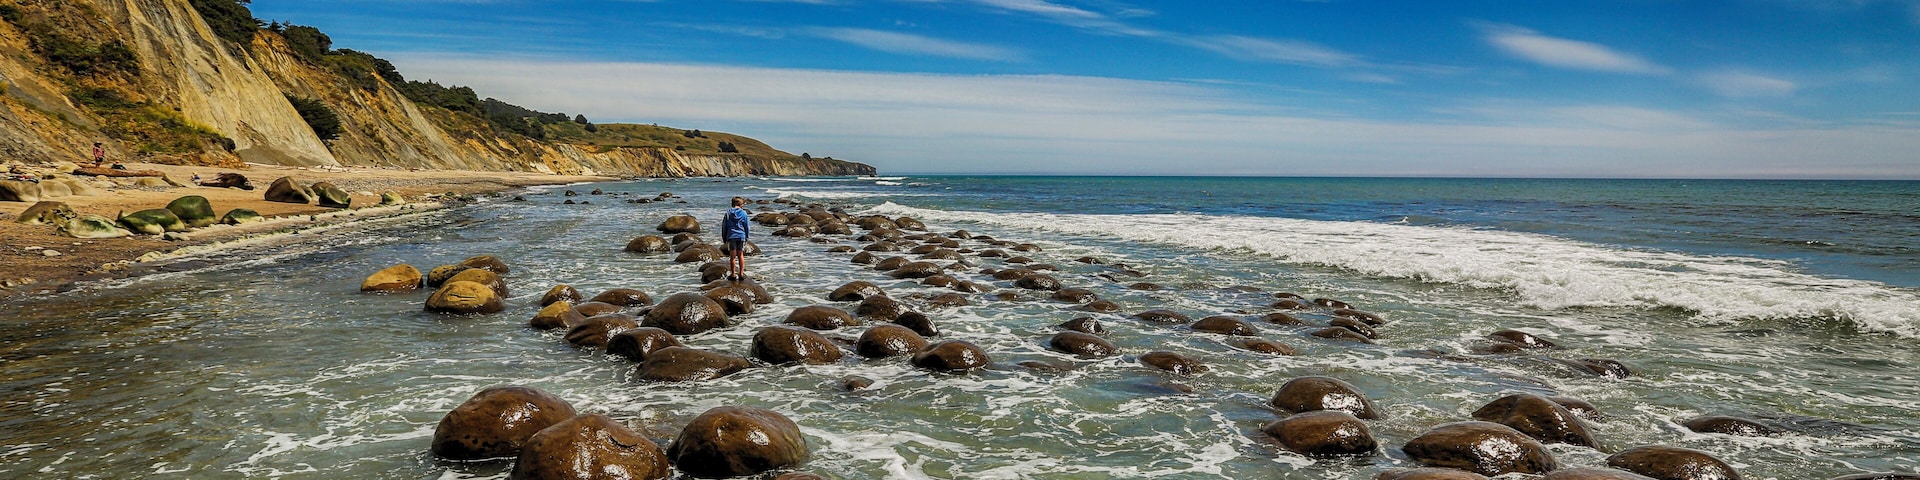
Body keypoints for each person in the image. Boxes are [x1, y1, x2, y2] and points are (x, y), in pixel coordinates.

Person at [721, 196, 752, 281]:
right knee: (741, 255)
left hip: (732, 236)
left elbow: (724, 226)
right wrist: (747, 236)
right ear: (739, 204)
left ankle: (733, 273)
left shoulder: (728, 213)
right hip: (741, 236)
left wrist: (724, 237)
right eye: (742, 204)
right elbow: (746, 227)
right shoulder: (744, 213)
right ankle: (741, 273)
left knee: (733, 257)